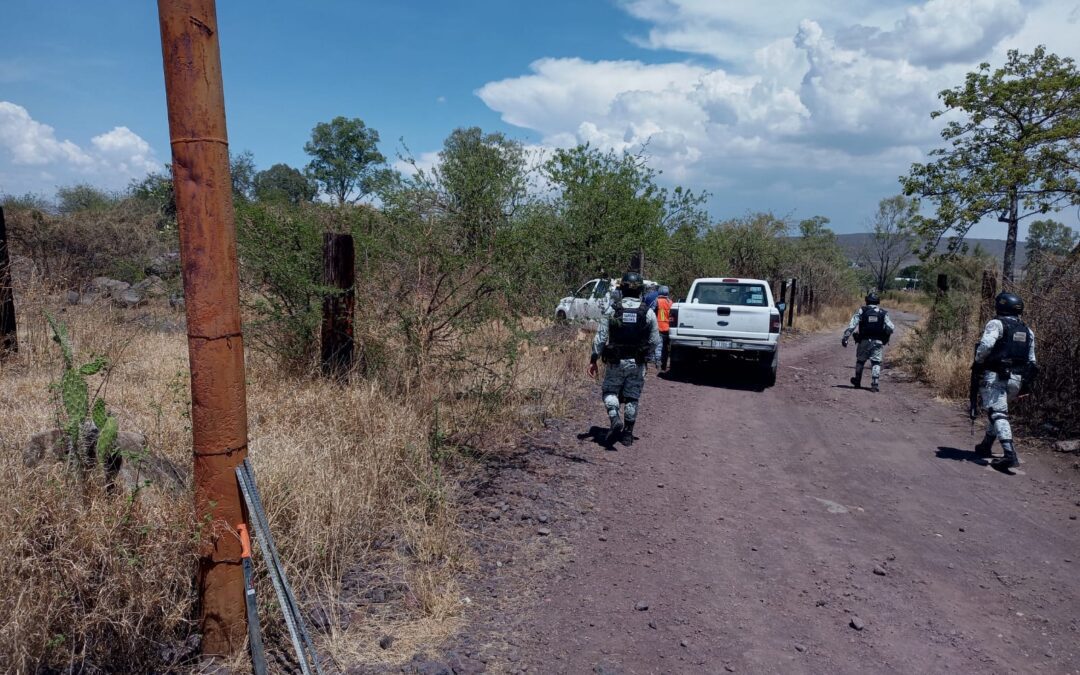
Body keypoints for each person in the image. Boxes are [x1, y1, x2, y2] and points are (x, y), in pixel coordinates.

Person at [588, 272, 661, 448]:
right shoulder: (648, 313)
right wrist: (645, 354)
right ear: (641, 290)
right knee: (632, 397)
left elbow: (600, 337)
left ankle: (614, 418)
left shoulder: (613, 310)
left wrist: (593, 359)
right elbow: (655, 340)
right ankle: (627, 434)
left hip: (615, 362)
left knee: (609, 392)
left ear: (622, 290)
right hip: (637, 363)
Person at [972, 292, 1037, 470]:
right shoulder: (1027, 330)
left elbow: (985, 345)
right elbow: (1032, 361)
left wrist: (978, 361)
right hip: (1017, 380)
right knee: (997, 412)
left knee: (998, 413)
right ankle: (986, 445)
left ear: (1000, 306)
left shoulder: (996, 324)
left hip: (995, 376)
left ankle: (1009, 454)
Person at [842, 291, 895, 392]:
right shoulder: (883, 313)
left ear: (866, 300)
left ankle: (857, 381)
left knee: (860, 361)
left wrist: (845, 337)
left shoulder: (862, 310)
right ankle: (874, 384)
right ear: (878, 301)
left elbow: (852, 325)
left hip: (864, 340)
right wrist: (884, 333)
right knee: (876, 362)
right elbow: (891, 328)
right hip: (878, 342)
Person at [654, 285, 673, 370]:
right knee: (666, 348)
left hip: (659, 326)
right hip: (668, 328)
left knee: (659, 346)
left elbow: (652, 312)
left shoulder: (657, 301)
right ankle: (664, 364)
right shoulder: (671, 302)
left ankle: (658, 362)